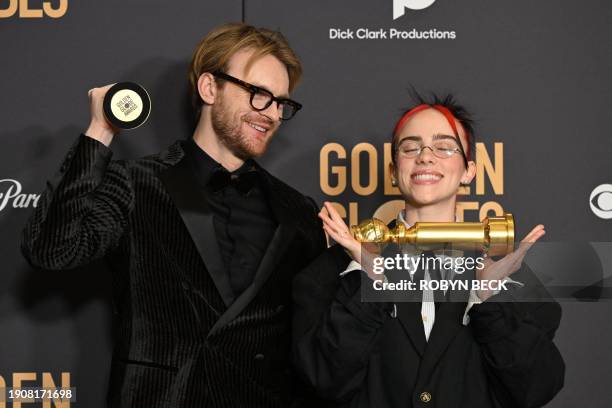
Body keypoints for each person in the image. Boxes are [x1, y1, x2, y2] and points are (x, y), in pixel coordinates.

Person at [21, 23, 326, 407]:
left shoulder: (298, 211)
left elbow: (320, 343)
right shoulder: (136, 184)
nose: (271, 114)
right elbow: (52, 249)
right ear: (209, 88)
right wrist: (100, 131)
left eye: (281, 103)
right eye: (259, 94)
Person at [292, 92, 565, 407]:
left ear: (469, 171)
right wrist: (373, 281)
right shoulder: (333, 270)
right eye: (410, 147)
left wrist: (486, 298)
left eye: (444, 147)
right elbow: (322, 381)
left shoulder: (514, 276)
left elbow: (535, 389)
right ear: (394, 171)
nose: (425, 156)